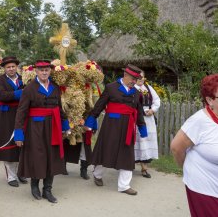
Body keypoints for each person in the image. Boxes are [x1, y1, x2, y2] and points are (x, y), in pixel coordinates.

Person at [84, 64, 147, 196]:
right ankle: (97, 174)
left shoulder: (136, 93)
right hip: (111, 126)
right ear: (125, 75)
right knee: (106, 150)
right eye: (133, 79)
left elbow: (138, 111)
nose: (134, 82)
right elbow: (99, 105)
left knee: (127, 154)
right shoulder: (111, 88)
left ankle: (124, 185)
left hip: (128, 127)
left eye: (136, 79)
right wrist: (91, 120)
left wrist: (142, 127)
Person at [14, 60, 70, 203]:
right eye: (41, 70)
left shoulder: (55, 87)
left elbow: (59, 108)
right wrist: (19, 134)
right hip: (36, 128)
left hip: (53, 127)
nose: (44, 72)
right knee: (37, 156)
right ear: (36, 72)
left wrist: (65, 125)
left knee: (51, 156)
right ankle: (34, 186)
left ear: (50, 71)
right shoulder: (29, 89)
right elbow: (21, 112)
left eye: (46, 70)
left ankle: (47, 189)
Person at [170, 74, 218, 217]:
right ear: (210, 100)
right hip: (203, 186)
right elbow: (176, 148)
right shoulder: (199, 121)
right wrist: (185, 167)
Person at [0, 56, 27, 187]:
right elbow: (1, 95)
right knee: (9, 147)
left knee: (22, 144)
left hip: (22, 114)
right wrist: (21, 93)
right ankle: (11, 176)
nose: (11, 69)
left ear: (16, 67)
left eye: (13, 66)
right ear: (4, 68)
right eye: (8, 67)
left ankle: (21, 172)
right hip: (6, 116)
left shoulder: (24, 79)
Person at [134, 70, 160, 178]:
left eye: (142, 77)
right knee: (137, 141)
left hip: (148, 119)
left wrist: (152, 110)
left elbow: (157, 100)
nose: (140, 79)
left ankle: (144, 168)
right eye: (138, 77)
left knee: (146, 142)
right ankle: (129, 165)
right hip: (136, 119)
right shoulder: (132, 87)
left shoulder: (148, 88)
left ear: (144, 78)